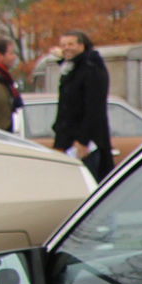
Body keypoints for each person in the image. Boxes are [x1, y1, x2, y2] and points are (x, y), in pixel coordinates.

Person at [53, 31, 115, 180]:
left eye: (70, 44)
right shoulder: (73, 67)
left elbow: (94, 108)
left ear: (82, 46)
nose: (66, 48)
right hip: (68, 140)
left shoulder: (92, 68)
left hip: (87, 144)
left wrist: (83, 140)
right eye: (63, 45)